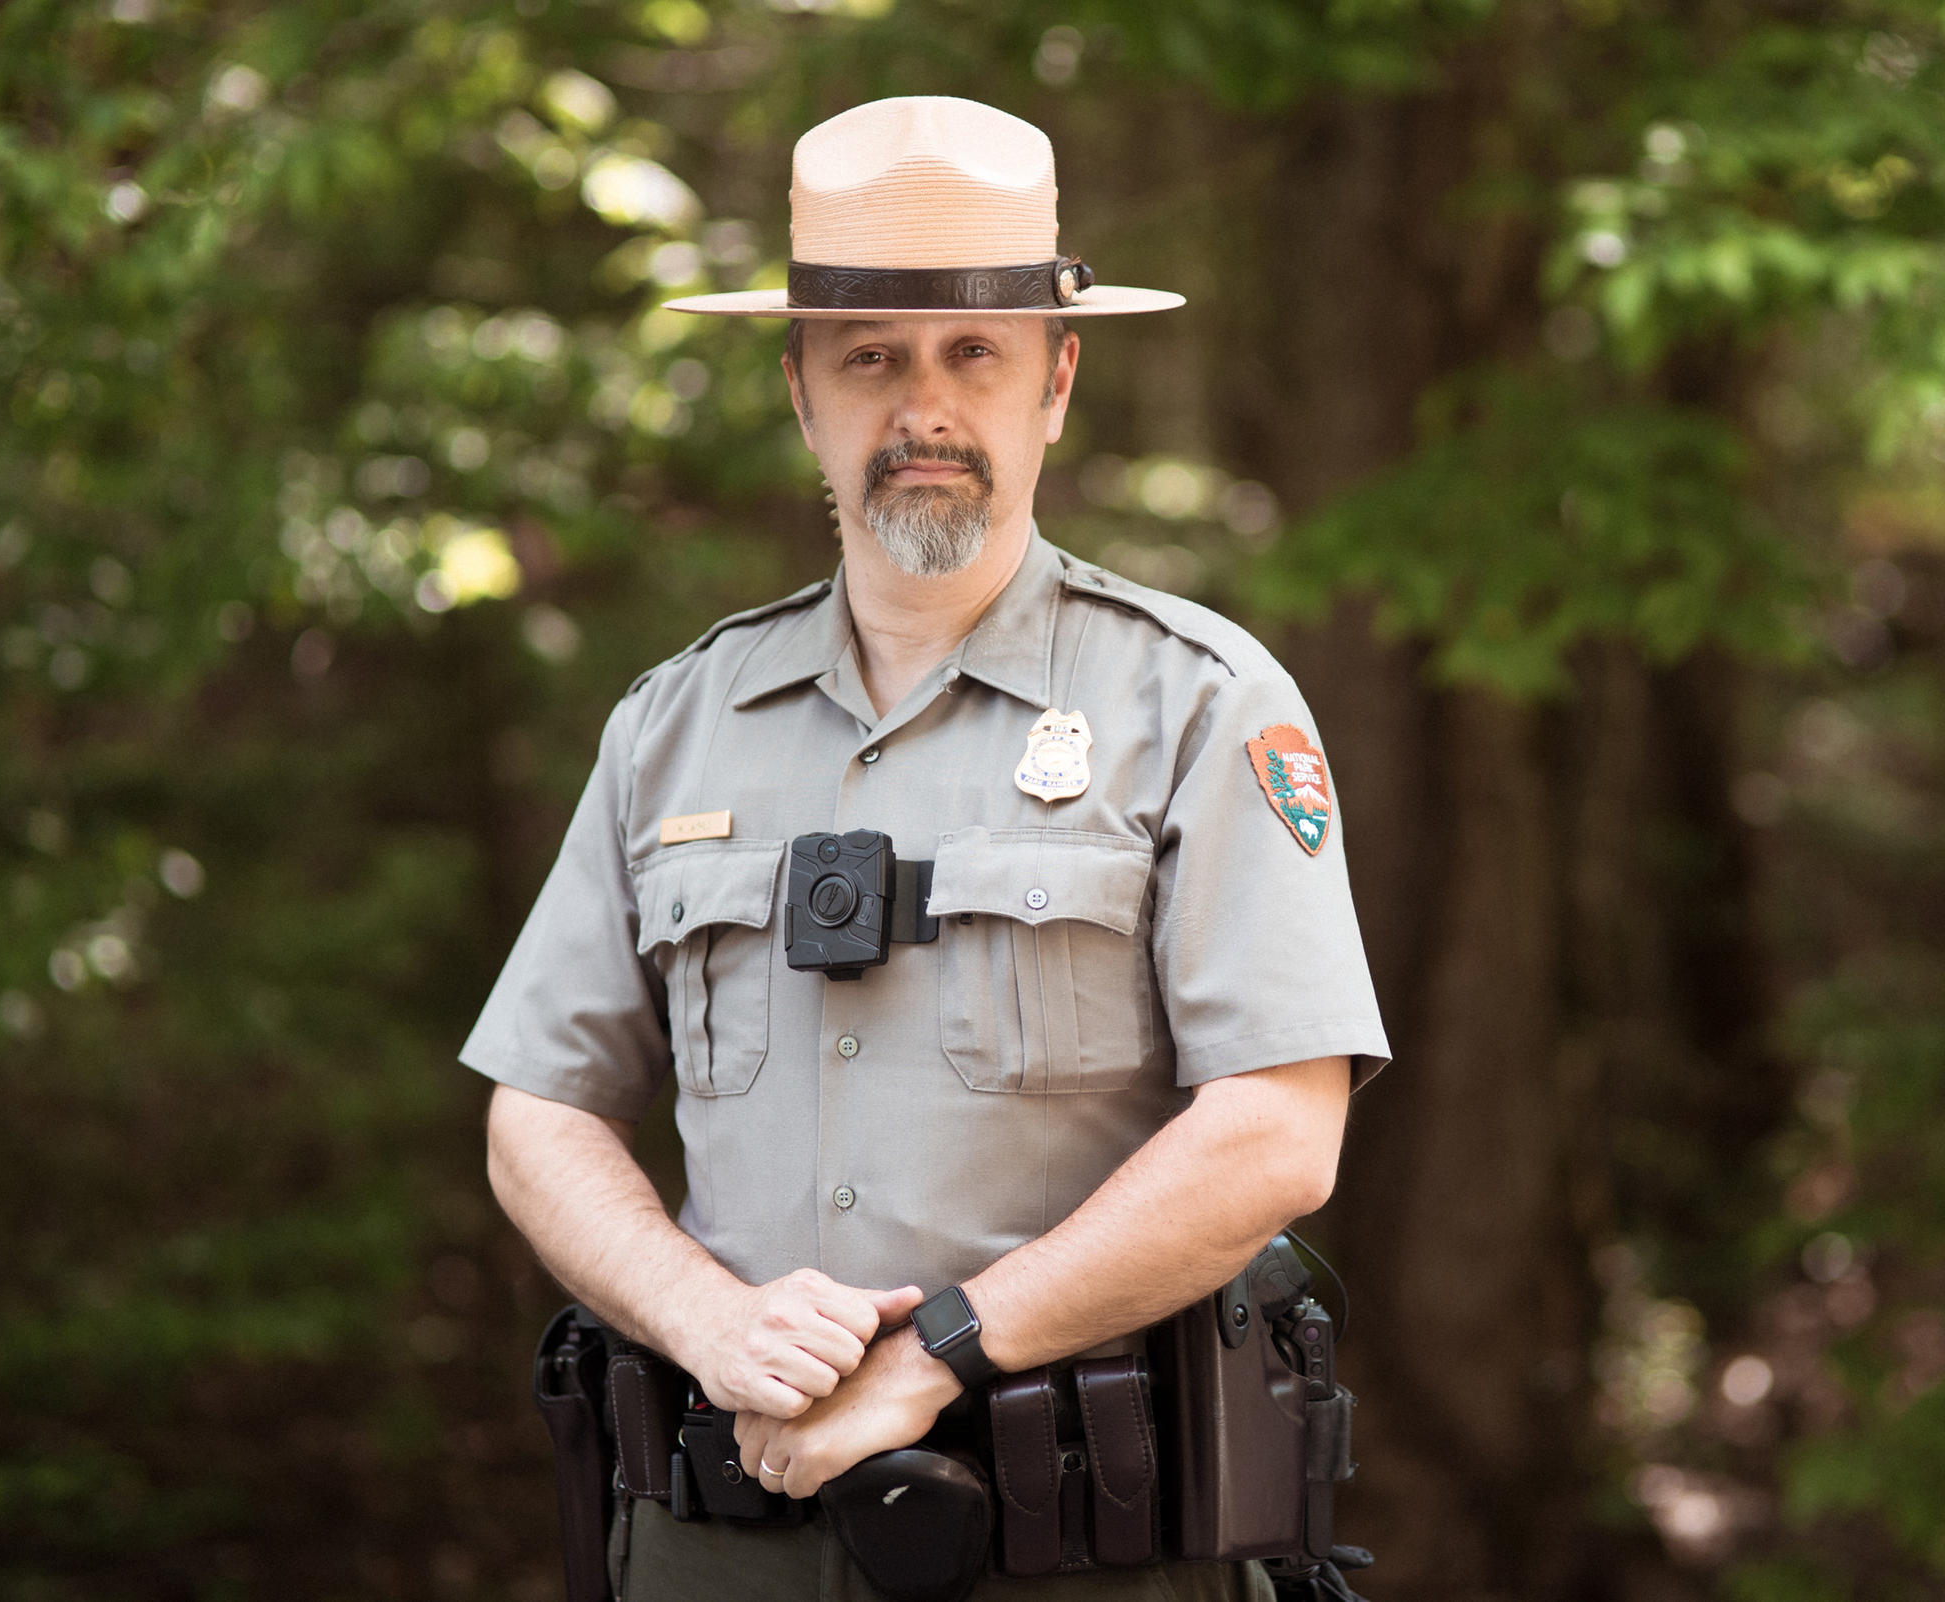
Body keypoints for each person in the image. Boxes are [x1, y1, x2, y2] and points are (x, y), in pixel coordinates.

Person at [466, 95, 1390, 1602]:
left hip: (1079, 1554)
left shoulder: (1201, 705)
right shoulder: (672, 727)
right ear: (801, 391)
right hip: (716, 1554)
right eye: (870, 357)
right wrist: (708, 1321)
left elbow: (1279, 1132)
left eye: (976, 354)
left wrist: (942, 1349)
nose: (925, 410)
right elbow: (537, 1116)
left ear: (1057, 382)